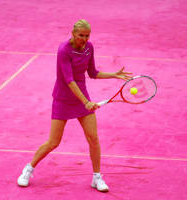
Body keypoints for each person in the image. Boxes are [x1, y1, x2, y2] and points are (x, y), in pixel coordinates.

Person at [17, 19, 132, 192]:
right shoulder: (64, 50)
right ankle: (29, 169)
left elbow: (92, 73)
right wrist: (86, 102)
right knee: (53, 142)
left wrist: (113, 75)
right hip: (63, 98)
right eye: (81, 35)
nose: (84, 39)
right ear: (72, 33)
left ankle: (96, 177)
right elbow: (69, 80)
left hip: (82, 97)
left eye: (87, 36)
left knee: (93, 138)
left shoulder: (89, 47)